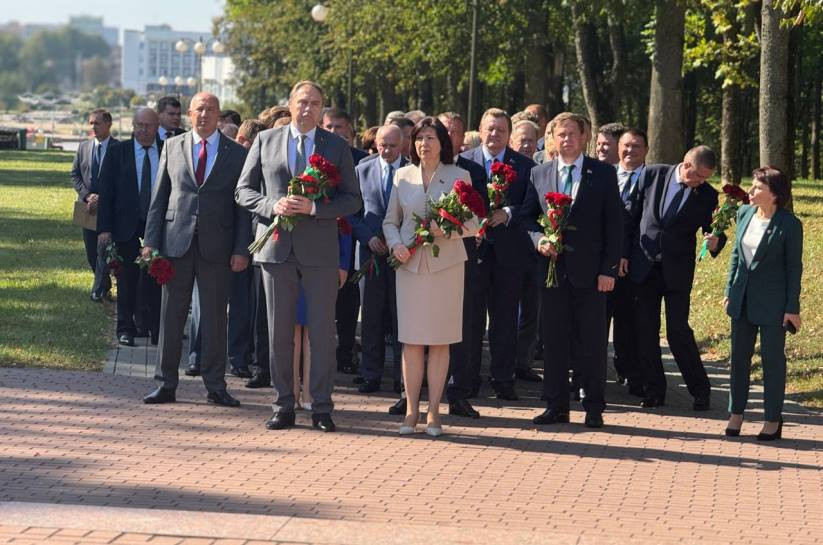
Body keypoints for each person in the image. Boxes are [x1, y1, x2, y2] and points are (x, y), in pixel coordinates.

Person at [235, 80, 361, 433]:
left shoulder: (336, 146)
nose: (308, 108)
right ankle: (283, 405)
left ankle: (321, 407)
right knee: (279, 334)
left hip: (320, 251)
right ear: (290, 104)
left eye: (315, 103)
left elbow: (353, 199)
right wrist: (271, 205)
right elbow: (242, 191)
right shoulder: (266, 140)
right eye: (302, 102)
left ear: (322, 109)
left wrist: (316, 207)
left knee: (321, 334)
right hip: (276, 249)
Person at [141, 92, 252, 408]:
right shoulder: (172, 146)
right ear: (190, 113)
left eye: (211, 109)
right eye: (199, 109)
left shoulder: (236, 153)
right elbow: (159, 198)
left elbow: (242, 207)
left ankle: (215, 386)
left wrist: (241, 249)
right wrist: (150, 242)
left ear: (219, 114)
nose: (204, 114)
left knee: (215, 318)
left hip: (218, 247)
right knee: (171, 316)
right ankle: (165, 384)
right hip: (176, 243)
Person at [519, 112, 623, 428]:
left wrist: (609, 270)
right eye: (561, 134)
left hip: (591, 275)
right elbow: (526, 217)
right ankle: (556, 406)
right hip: (552, 272)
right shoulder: (539, 173)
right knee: (553, 341)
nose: (567, 140)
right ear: (552, 138)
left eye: (572, 134)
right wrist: (539, 240)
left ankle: (593, 407)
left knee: (591, 343)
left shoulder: (603, 173)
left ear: (584, 137)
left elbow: (614, 224)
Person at [383, 117, 480, 436]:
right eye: (419, 138)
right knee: (411, 340)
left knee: (440, 341)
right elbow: (390, 221)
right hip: (409, 266)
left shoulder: (459, 176)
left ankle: (434, 412)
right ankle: (411, 410)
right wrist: (396, 244)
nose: (424, 143)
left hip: (446, 268)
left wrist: (446, 229)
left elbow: (474, 224)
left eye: (431, 137)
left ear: (443, 143)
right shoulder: (402, 176)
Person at [627, 145, 725, 411]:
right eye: (697, 176)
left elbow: (714, 230)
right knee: (645, 330)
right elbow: (632, 215)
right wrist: (624, 254)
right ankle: (654, 391)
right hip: (644, 266)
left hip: (677, 272)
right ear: (686, 163)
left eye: (705, 178)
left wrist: (715, 242)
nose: (700, 182)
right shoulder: (652, 175)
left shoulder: (708, 195)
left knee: (678, 331)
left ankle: (700, 391)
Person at [461, 108, 537, 401]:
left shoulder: (525, 166)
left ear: (509, 134)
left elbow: (532, 205)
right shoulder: (465, 162)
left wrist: (508, 212)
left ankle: (503, 379)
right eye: (490, 129)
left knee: (505, 320)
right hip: (473, 251)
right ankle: (468, 378)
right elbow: (454, 201)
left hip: (509, 254)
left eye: (501, 130)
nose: (494, 134)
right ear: (480, 130)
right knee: (471, 319)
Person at [724, 167, 802, 441]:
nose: (751, 191)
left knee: (772, 361)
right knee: (738, 359)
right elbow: (736, 256)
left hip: (774, 305)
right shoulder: (744, 213)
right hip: (741, 299)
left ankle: (772, 419)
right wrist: (729, 290)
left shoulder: (789, 224)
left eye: (758, 187)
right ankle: (736, 414)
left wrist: (792, 308)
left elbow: (794, 269)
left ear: (774, 194)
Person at [97, 107, 163, 347]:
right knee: (126, 280)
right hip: (125, 226)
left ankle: (154, 328)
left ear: (157, 127)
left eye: (149, 126)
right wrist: (104, 228)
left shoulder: (168, 150)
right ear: (132, 126)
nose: (143, 130)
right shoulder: (118, 152)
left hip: (157, 226)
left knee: (157, 278)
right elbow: (106, 192)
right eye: (139, 125)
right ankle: (125, 329)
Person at [438, 112, 489, 419]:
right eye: (442, 131)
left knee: (463, 326)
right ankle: (411, 392)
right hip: (424, 260)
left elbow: (480, 213)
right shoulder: (415, 170)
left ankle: (458, 392)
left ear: (462, 137)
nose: (448, 136)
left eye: (454, 132)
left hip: (461, 258)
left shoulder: (473, 172)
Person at [350, 125, 406, 394]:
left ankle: (402, 377)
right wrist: (368, 237)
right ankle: (370, 374)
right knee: (371, 316)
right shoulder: (362, 169)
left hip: (403, 255)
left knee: (401, 318)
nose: (386, 151)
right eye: (382, 145)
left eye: (392, 146)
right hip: (369, 253)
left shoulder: (412, 171)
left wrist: (399, 242)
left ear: (402, 145)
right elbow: (352, 212)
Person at [322, 107, 367, 374]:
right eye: (328, 126)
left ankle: (346, 353)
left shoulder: (361, 161)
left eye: (338, 126)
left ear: (350, 130)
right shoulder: (314, 157)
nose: (333, 131)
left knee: (349, 303)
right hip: (320, 237)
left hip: (351, 239)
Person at [610, 128, 648, 396]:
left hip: (636, 261)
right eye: (626, 145)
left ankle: (632, 374)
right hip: (604, 260)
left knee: (629, 321)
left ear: (645, 150)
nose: (630, 151)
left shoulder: (654, 179)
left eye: (636, 146)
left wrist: (627, 252)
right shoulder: (605, 175)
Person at [71, 108, 117, 302]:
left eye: (97, 123)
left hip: (110, 208)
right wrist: (88, 196)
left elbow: (123, 179)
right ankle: (104, 284)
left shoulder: (119, 148)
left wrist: (102, 198)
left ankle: (98, 290)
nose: (93, 127)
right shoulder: (83, 147)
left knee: (104, 249)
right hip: (87, 207)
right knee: (91, 252)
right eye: (91, 123)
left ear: (108, 124)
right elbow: (75, 175)